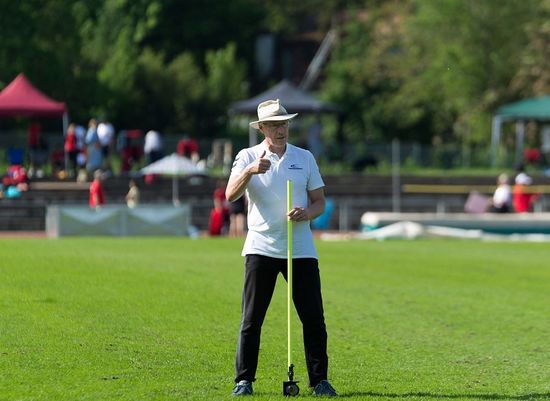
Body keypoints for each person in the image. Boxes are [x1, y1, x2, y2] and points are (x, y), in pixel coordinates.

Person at [226, 99, 337, 397]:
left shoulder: (305, 157)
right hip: (261, 247)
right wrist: (250, 171)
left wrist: (307, 214)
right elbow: (230, 195)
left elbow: (319, 201)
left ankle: (320, 380)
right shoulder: (247, 155)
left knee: (313, 317)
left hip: (300, 247)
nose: (280, 129)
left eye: (284, 123)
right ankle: (244, 380)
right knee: (252, 318)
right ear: (262, 128)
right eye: (274, 124)